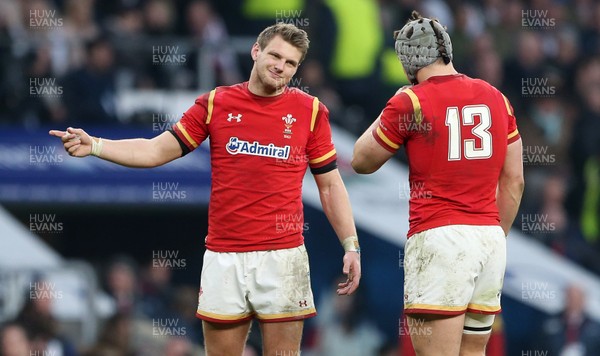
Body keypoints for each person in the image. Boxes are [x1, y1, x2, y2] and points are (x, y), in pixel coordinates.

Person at [49, 23, 361, 355]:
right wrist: (96, 145)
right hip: (224, 257)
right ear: (256, 51)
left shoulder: (309, 111)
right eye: (275, 55)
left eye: (290, 63)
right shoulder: (216, 103)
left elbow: (329, 185)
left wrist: (351, 245)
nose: (280, 67)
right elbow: (155, 151)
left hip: (282, 257)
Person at [352, 11, 524, 356]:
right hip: (489, 241)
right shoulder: (496, 97)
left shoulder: (410, 101)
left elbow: (360, 161)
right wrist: (494, 234)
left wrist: (395, 102)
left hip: (439, 239)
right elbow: (515, 181)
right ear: (446, 50)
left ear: (406, 64)